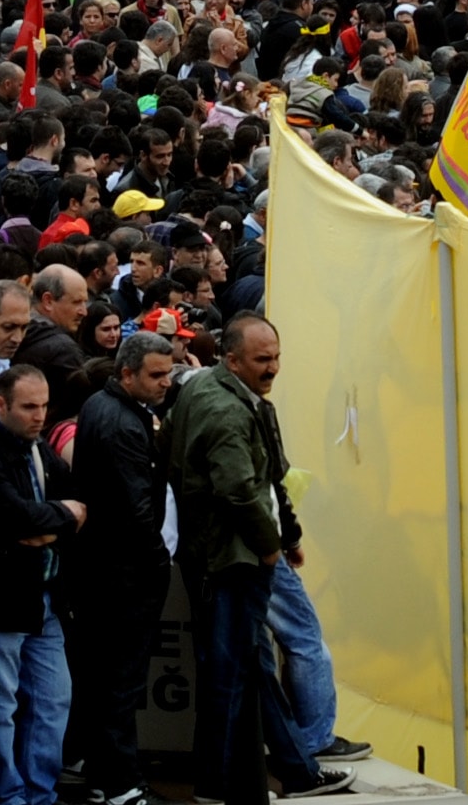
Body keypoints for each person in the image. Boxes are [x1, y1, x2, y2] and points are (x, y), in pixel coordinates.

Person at [162, 324, 337, 805]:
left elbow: (263, 477)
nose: (273, 368)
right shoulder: (225, 410)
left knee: (249, 665)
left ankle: (296, 769)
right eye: (262, 360)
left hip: (221, 553)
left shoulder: (210, 391)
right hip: (233, 559)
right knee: (231, 674)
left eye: (276, 356)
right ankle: (220, 787)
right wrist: (270, 546)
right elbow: (239, 490)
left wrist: (287, 534)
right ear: (233, 360)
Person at [59, 334, 180, 805]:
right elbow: (136, 510)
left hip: (105, 569)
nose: (166, 383)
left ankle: (103, 776)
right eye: (156, 375)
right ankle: (120, 784)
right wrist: (157, 562)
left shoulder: (100, 406)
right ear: (126, 374)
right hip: (124, 575)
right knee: (120, 684)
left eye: (168, 373)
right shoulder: (123, 424)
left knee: (104, 680)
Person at [0, 366, 76, 805]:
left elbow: (75, 501)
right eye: (29, 407)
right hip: (5, 598)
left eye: (45, 406)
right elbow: (14, 517)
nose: (40, 416)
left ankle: (38, 792)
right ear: (0, 404)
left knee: (54, 700)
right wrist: (64, 517)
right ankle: (7, 794)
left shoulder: (38, 446)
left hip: (45, 594)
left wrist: (50, 526)